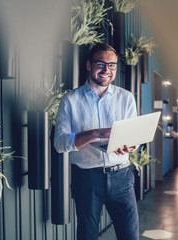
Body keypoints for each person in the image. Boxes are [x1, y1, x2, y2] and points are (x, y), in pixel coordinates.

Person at [54, 43, 139, 240]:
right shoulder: (70, 100)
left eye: (112, 65)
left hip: (122, 177)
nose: (106, 70)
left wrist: (131, 145)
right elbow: (59, 143)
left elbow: (134, 139)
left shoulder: (126, 98)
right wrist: (94, 134)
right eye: (101, 64)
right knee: (87, 235)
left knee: (130, 237)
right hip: (87, 179)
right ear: (88, 65)